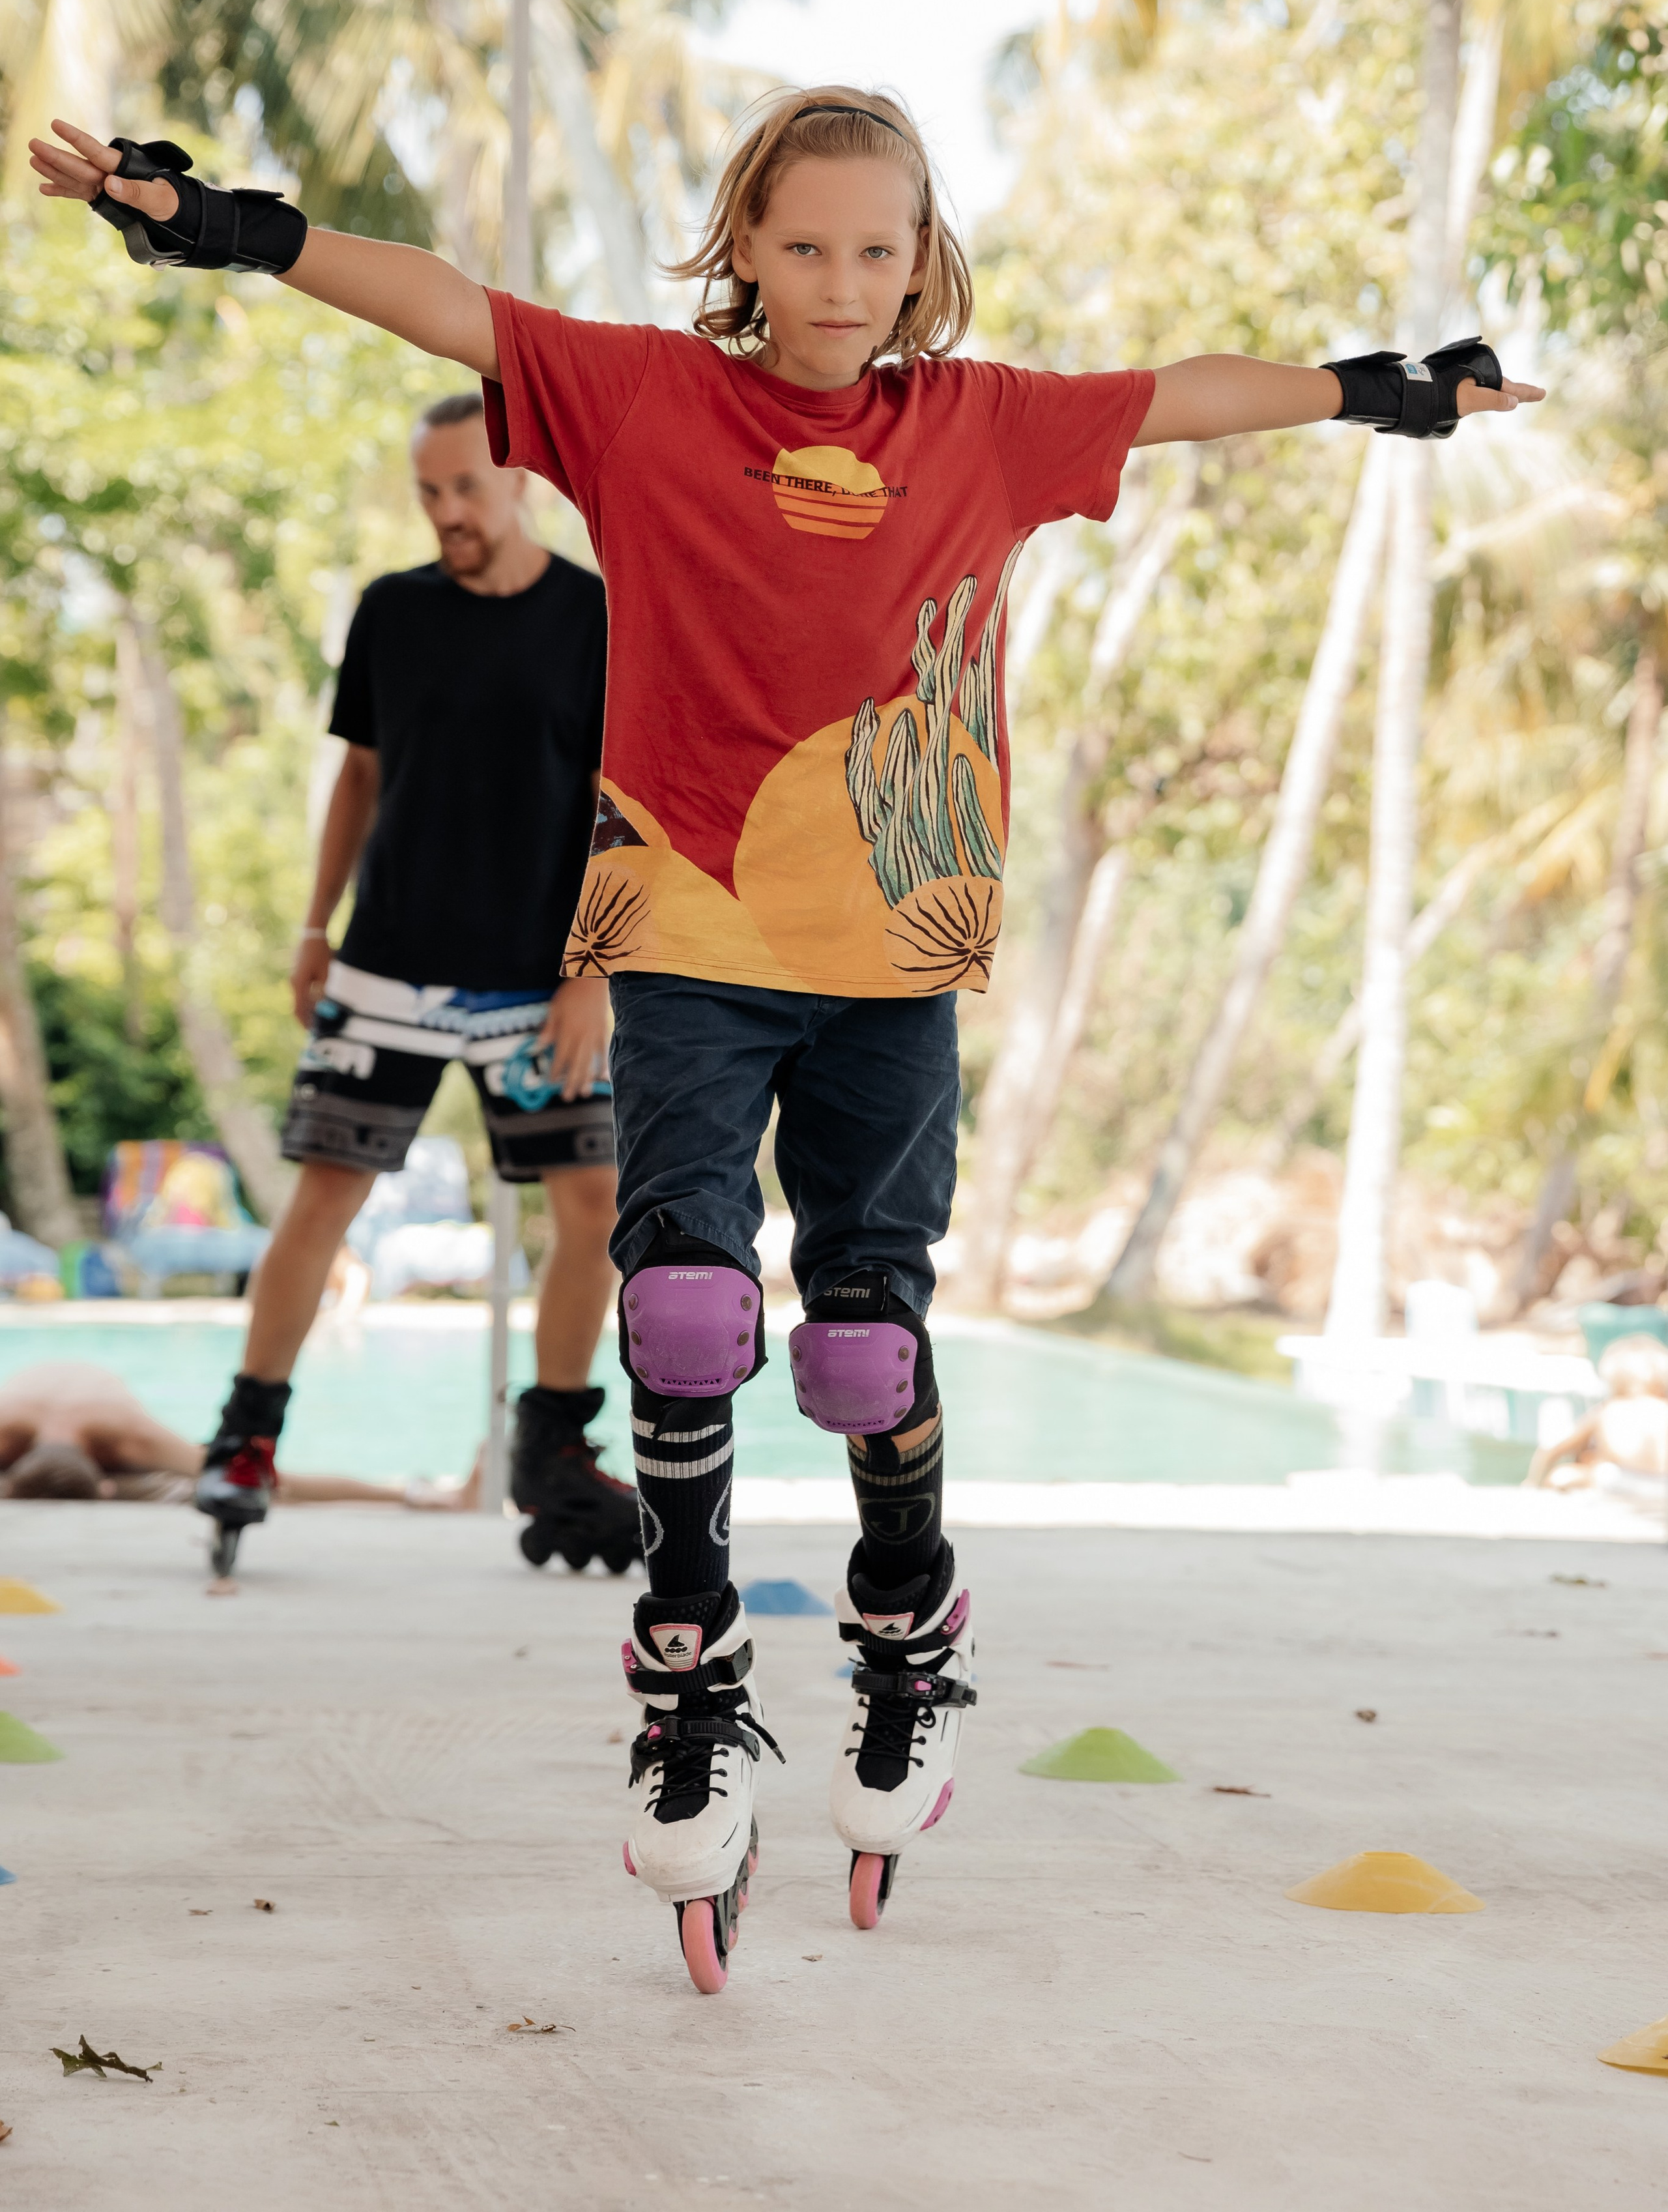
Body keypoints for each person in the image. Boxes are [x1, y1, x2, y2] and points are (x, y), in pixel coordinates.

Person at [33, 95, 1542, 1992]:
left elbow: (1174, 394)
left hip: (896, 951)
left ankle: (905, 1611)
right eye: (805, 244)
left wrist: (1374, 388)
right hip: (683, 927)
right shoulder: (647, 397)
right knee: (679, 1298)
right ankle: (689, 1654)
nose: (841, 284)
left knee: (857, 1333)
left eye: (876, 250)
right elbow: (446, 309)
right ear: (744, 240)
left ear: (923, 259)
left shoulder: (978, 423)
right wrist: (236, 230)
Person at [161, 382, 634, 1575]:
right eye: (430, 493)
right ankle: (246, 1440)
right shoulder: (391, 611)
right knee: (323, 1200)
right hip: (388, 968)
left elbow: (617, 811)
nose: (447, 512)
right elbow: (360, 777)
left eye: (467, 487)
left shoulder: (597, 618)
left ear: (521, 478)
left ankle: (553, 1448)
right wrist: (313, 928)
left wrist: (595, 972)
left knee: (596, 1211)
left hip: (541, 980)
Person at [0, 1359, 479, 1507]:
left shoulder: (127, 1436)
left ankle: (421, 1495)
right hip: (73, 1402)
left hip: (98, 1428)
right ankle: (424, 1495)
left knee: (236, 1477)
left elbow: (267, 1480)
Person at [1527, 1332, 1668, 1495]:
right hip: (1664, 1485)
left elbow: (1550, 1449)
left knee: (1562, 1476)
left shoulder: (1608, 1410)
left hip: (1618, 1481)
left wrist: (1532, 1482)